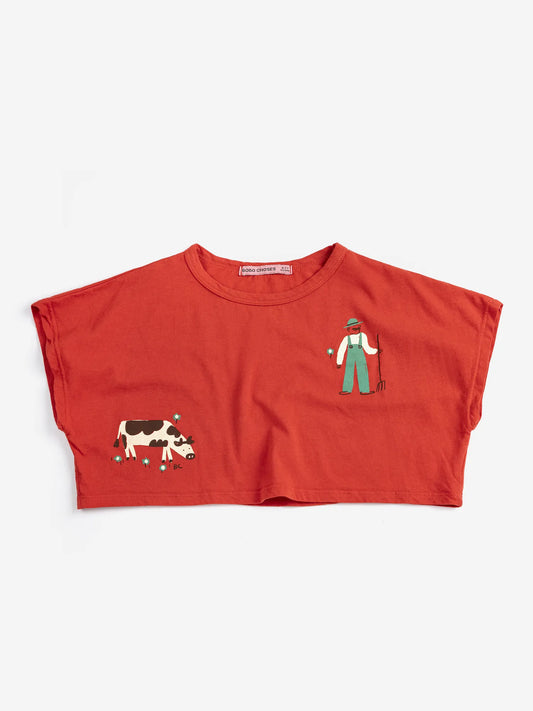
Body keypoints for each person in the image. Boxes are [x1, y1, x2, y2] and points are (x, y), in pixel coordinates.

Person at [336, 317, 381, 395]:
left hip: (360, 357)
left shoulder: (362, 336)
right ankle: (346, 389)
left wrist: (376, 351)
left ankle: (364, 389)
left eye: (358, 327)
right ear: (348, 329)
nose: (356, 329)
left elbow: (367, 348)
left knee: (362, 371)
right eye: (354, 328)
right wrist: (339, 362)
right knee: (349, 371)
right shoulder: (346, 338)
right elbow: (341, 350)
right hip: (350, 358)